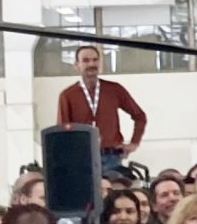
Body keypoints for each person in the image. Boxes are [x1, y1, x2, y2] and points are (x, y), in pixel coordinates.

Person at [56, 46, 147, 178]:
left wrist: (134, 142)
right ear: (77, 65)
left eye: (95, 60)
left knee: (113, 196)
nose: (91, 64)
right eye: (86, 60)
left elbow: (139, 116)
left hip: (111, 158)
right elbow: (63, 133)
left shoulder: (114, 89)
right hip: (82, 159)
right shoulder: (67, 95)